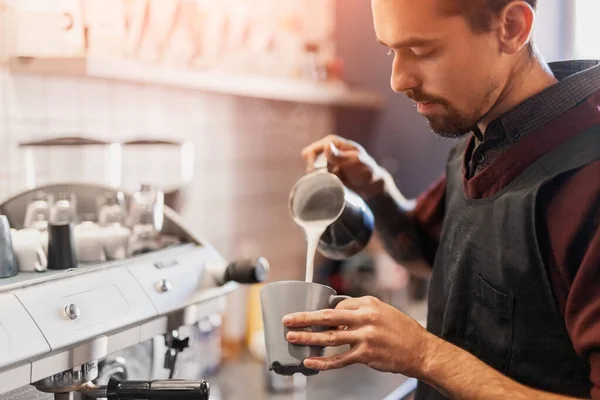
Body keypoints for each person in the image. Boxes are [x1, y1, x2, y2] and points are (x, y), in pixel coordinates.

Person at [281, 0, 600, 399]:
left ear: (512, 27)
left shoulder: (588, 179)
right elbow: (423, 251)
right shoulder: (481, 142)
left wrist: (424, 355)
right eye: (390, 49)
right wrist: (374, 186)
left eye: (422, 50)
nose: (397, 79)